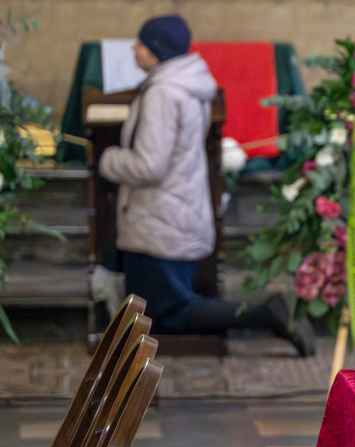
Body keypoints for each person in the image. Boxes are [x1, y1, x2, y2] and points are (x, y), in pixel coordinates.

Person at [99, 15, 315, 356]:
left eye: (140, 42)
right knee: (163, 312)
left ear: (156, 50)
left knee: (164, 315)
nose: (134, 48)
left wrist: (108, 159)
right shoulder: (187, 83)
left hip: (159, 219)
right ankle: (267, 314)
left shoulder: (163, 92)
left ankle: (268, 314)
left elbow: (148, 165)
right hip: (174, 213)